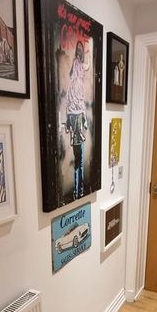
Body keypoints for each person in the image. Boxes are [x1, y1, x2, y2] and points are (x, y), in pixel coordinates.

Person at [65, 41, 91, 199]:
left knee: (77, 162)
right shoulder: (78, 84)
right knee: (79, 162)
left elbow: (68, 123)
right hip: (78, 121)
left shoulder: (72, 86)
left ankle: (77, 192)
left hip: (75, 122)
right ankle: (79, 191)